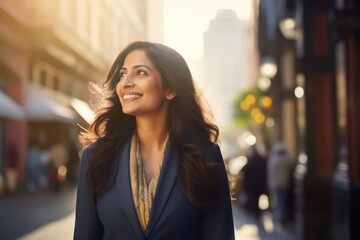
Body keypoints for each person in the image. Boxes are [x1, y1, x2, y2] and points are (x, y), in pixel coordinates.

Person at [74, 41, 235, 240]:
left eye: (141, 72)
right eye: (123, 74)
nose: (125, 82)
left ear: (170, 89)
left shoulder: (205, 156)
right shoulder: (96, 156)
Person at [267, 141, 294, 227]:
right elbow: (292, 163)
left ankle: (282, 216)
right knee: (283, 200)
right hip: (285, 183)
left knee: (280, 201)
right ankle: (283, 216)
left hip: (276, 184)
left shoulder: (273, 160)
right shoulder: (286, 159)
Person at [241, 145, 267, 218]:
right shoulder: (261, 161)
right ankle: (256, 211)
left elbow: (246, 172)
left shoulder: (251, 162)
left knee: (254, 197)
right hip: (259, 183)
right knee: (256, 197)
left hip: (252, 184)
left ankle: (255, 210)